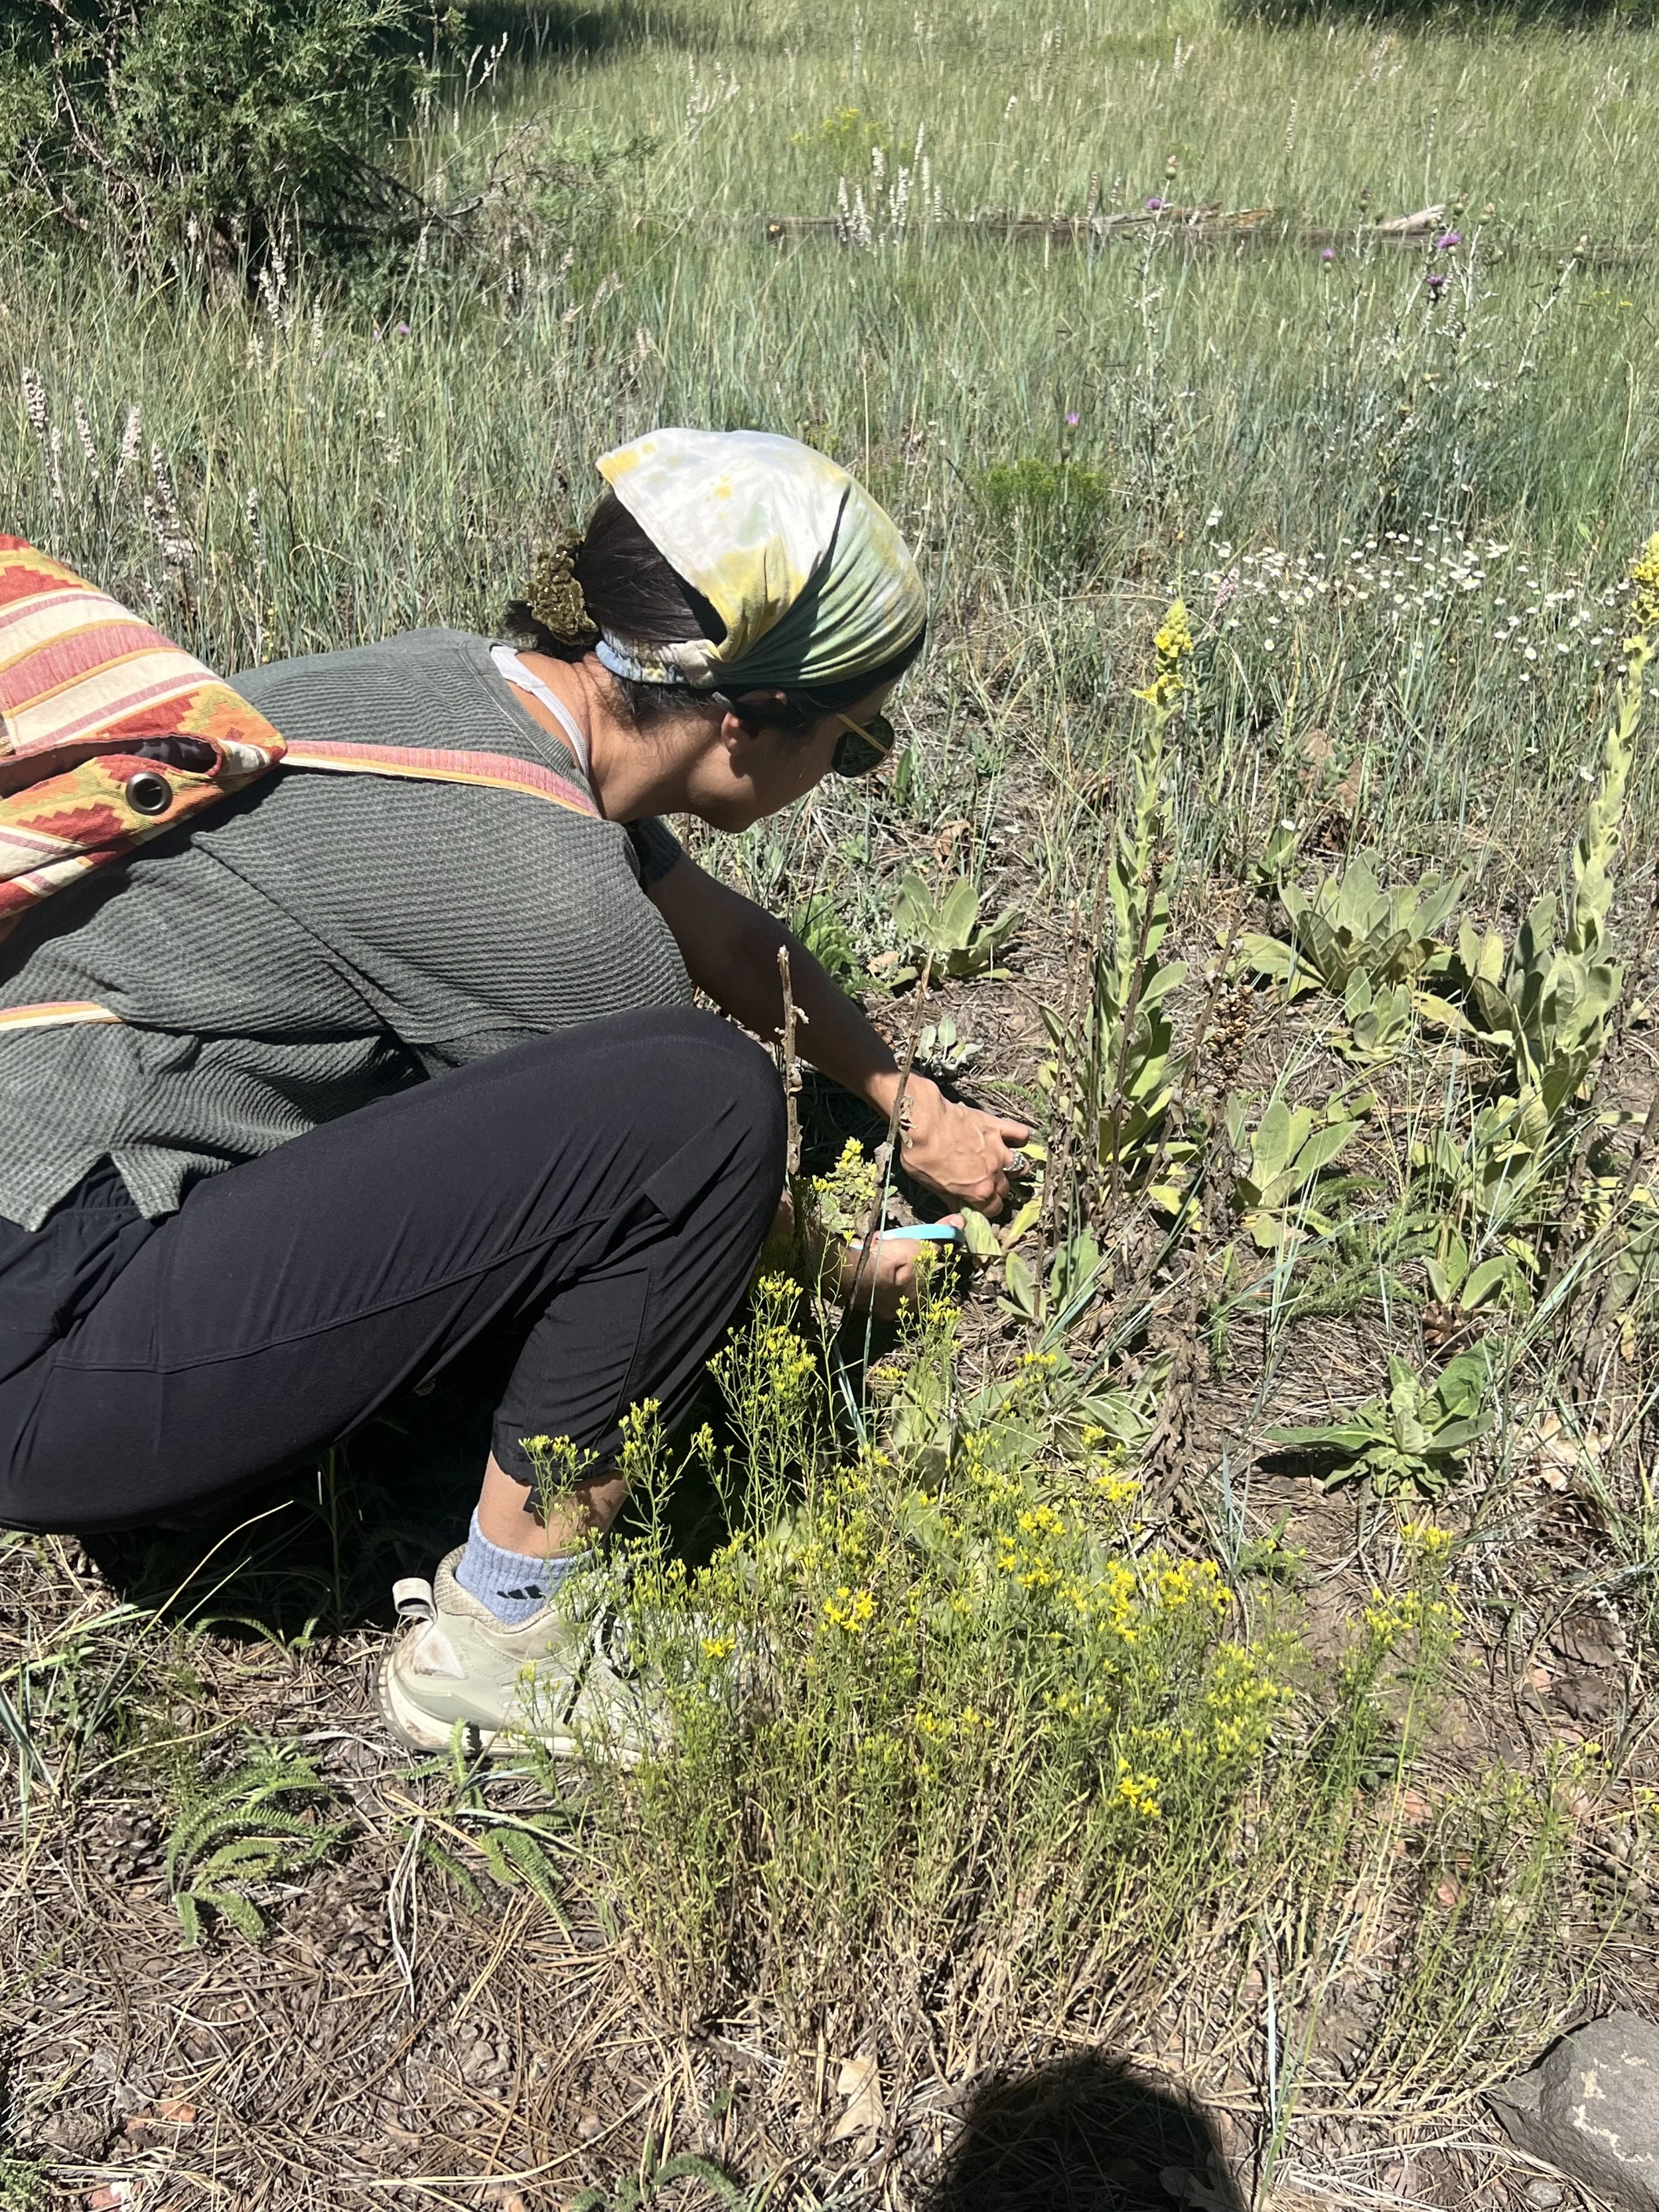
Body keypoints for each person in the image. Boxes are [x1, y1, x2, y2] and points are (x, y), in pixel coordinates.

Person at [0, 427, 1029, 1754]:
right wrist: (853, 1275)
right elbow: (718, 1188)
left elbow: (716, 933)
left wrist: (907, 1100)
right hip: (48, 1350)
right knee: (701, 1106)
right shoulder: (550, 903)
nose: (840, 772)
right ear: (739, 725)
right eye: (848, 744)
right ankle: (504, 1640)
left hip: (45, 1195)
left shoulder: (467, 695)